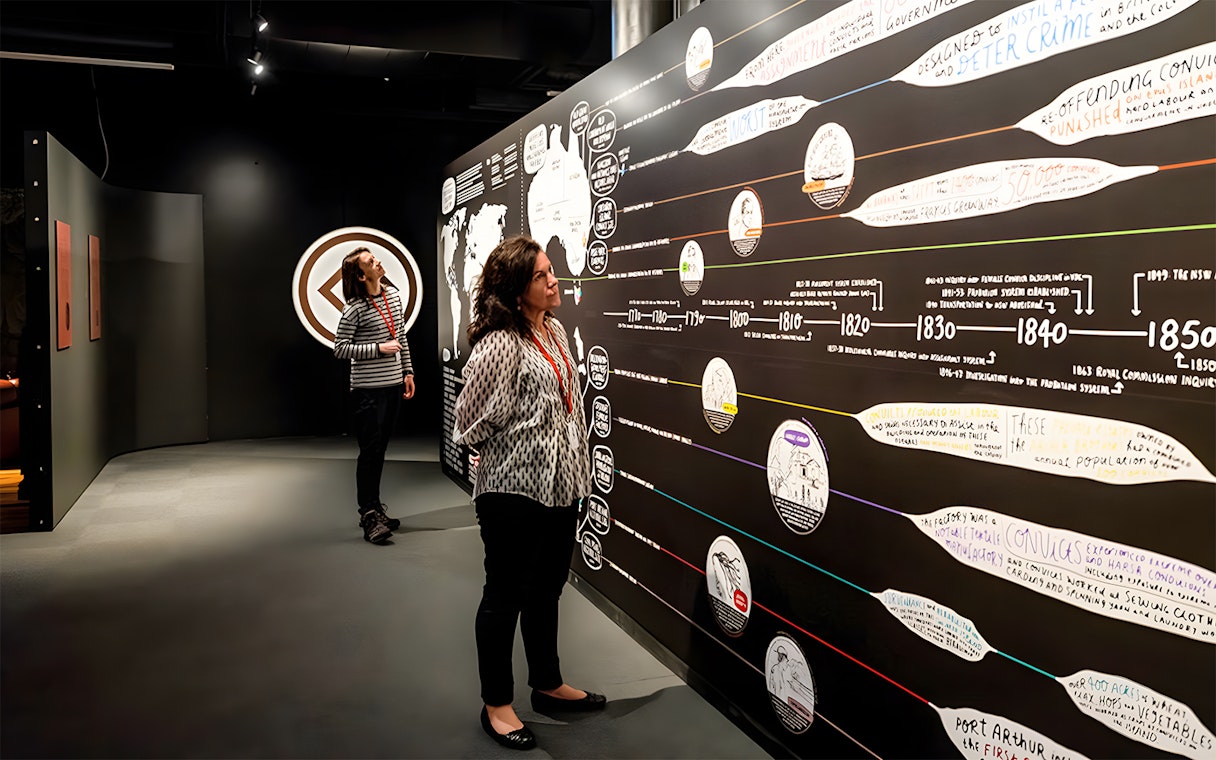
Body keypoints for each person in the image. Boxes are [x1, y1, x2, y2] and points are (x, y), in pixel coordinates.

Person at [454, 235, 605, 751]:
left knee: (546, 592)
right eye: (542, 275)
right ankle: (496, 704)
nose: (554, 279)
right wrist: (512, 441)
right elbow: (468, 421)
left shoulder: (556, 330)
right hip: (513, 492)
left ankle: (547, 684)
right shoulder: (500, 342)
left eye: (550, 270)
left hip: (563, 487)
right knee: (504, 598)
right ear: (519, 289)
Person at [333, 246, 416, 545]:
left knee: (379, 449)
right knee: (370, 451)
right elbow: (340, 348)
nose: (378, 262)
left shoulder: (393, 296)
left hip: (393, 385)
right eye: (370, 262)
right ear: (360, 274)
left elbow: (401, 337)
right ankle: (368, 514)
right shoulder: (354, 307)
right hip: (366, 390)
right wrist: (378, 349)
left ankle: (376, 507)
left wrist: (408, 372)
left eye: (375, 258)